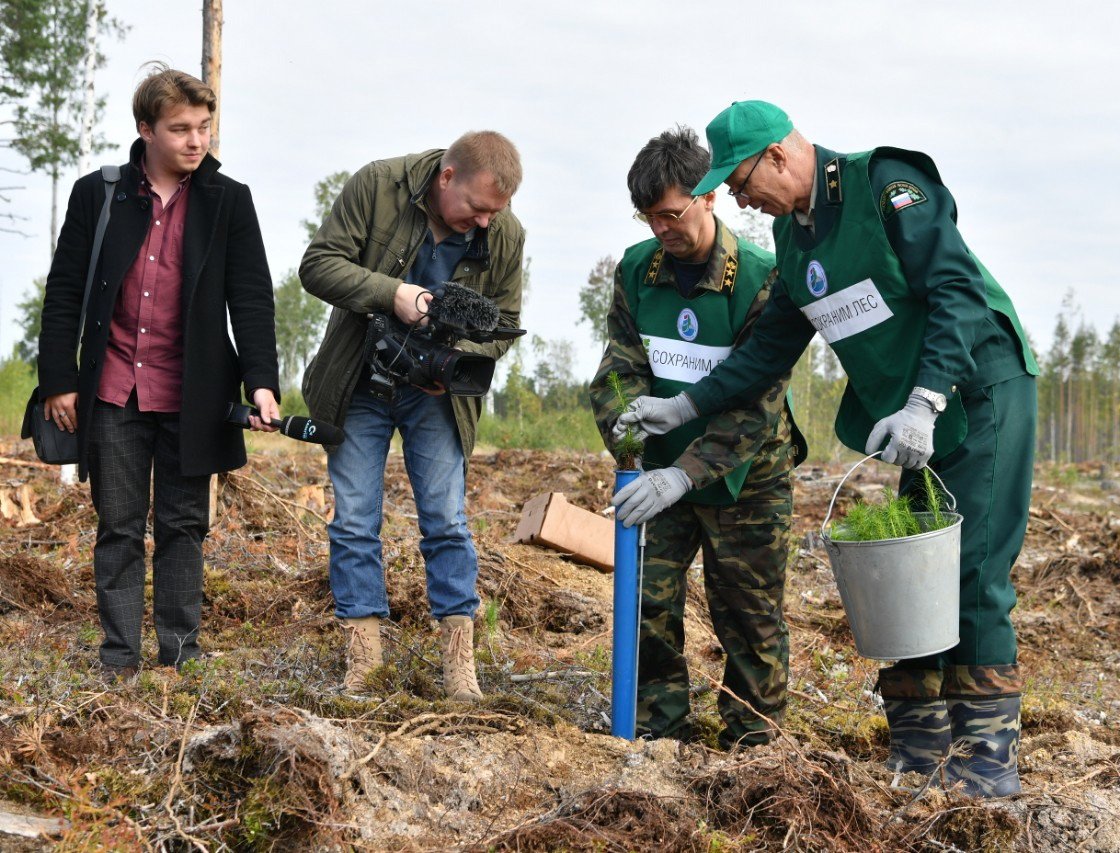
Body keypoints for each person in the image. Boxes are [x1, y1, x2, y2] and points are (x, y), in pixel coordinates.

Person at [616, 101, 1038, 796]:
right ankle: (921, 749)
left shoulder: (884, 185)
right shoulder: (796, 235)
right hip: (915, 409)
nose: (743, 200)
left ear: (780, 156)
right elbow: (771, 347)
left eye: (745, 181)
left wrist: (925, 400)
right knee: (915, 569)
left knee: (971, 568)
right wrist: (684, 404)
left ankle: (986, 765)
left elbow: (957, 288)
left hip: (977, 389)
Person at [37, 64, 280, 681]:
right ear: (145, 129)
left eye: (204, 127)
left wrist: (262, 382)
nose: (196, 141)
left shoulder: (229, 201)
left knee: (183, 526)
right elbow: (65, 289)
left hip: (192, 393)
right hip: (114, 387)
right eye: (180, 129)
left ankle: (180, 654)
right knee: (117, 526)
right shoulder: (100, 192)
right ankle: (119, 658)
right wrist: (59, 378)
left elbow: (250, 297)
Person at [591, 127, 804, 748]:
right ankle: (661, 732)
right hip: (658, 478)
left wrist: (685, 473)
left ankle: (754, 743)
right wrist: (627, 434)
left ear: (708, 197)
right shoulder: (638, 270)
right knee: (649, 606)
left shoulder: (762, 278)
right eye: (648, 217)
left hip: (747, 480)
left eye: (671, 214)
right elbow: (620, 367)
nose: (660, 229)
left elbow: (755, 406)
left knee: (749, 616)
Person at [300, 131, 525, 700]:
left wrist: (455, 354)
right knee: (354, 521)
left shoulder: (504, 233)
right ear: (446, 177)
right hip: (359, 381)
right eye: (476, 209)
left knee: (447, 521)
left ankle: (459, 671)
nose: (483, 223)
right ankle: (364, 666)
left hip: (437, 397)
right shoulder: (378, 186)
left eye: (494, 213)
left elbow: (506, 321)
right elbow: (318, 265)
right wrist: (392, 293)